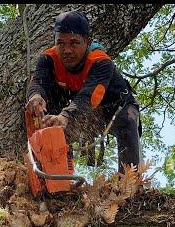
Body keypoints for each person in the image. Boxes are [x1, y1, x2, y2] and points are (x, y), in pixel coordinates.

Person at [26, 10, 142, 173]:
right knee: (51, 123)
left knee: (127, 121)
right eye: (61, 43)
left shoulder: (100, 62)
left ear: (87, 42)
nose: (66, 50)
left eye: (74, 43)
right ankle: (59, 178)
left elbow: (90, 96)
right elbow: (38, 81)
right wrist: (36, 96)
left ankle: (130, 183)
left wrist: (66, 116)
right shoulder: (48, 59)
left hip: (114, 108)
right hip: (78, 110)